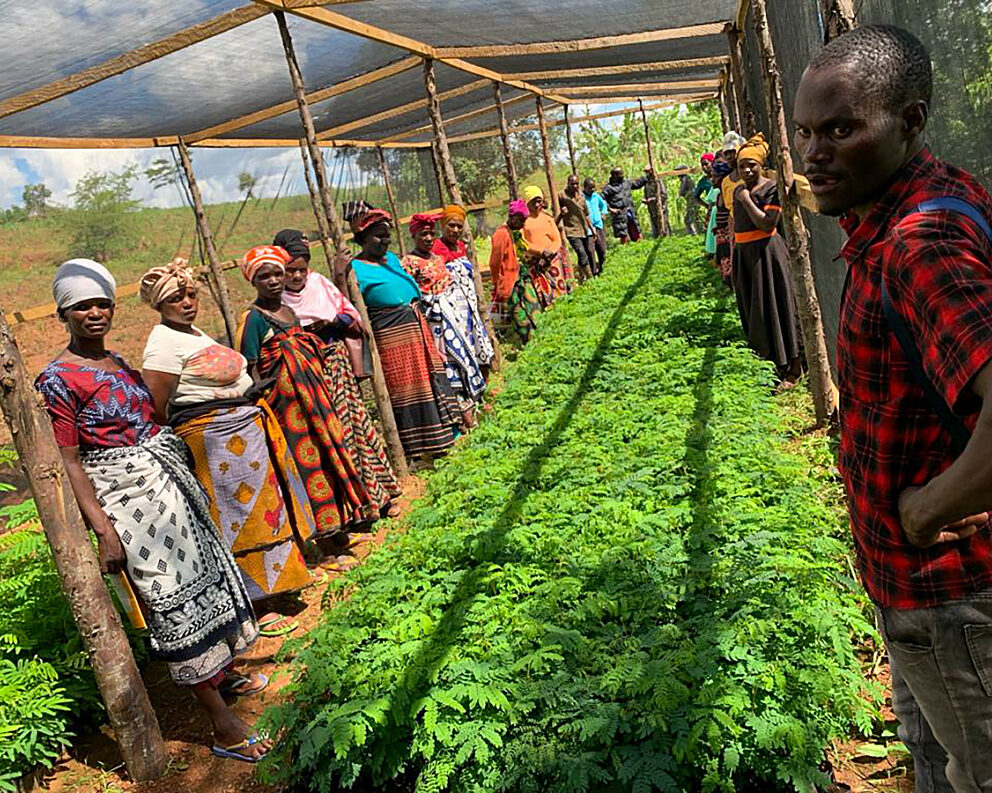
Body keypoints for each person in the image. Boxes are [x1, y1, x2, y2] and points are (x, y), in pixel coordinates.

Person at [794, 25, 992, 792]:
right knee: (933, 758)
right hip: (912, 594)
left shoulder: (919, 243)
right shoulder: (923, 194)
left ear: (911, 121)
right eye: (807, 131)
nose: (816, 151)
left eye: (841, 129)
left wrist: (923, 510)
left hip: (953, 599)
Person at [36, 259, 268, 763]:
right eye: (81, 307)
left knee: (203, 583)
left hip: (164, 486)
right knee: (169, 597)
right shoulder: (57, 378)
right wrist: (104, 531)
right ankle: (222, 724)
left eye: (101, 304)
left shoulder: (117, 361)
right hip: (124, 499)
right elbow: (70, 459)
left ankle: (222, 676)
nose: (93, 313)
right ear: (64, 314)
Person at [140, 259, 317, 638]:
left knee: (264, 511)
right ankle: (255, 601)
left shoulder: (194, 334)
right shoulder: (162, 344)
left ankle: (280, 586)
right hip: (211, 441)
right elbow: (156, 406)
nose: (187, 303)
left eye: (190, 294)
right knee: (235, 518)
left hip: (241, 431)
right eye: (176, 298)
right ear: (159, 305)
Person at [236, 245, 378, 568]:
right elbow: (252, 368)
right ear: (253, 281)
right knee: (305, 469)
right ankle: (324, 547)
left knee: (328, 458)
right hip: (287, 410)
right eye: (264, 276)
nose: (273, 281)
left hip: (314, 399)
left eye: (277, 273)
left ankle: (340, 532)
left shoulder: (289, 312)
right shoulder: (255, 319)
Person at [274, 229, 402, 520]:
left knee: (353, 427)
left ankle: (379, 496)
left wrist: (328, 322)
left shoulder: (319, 284)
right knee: (330, 438)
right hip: (306, 374)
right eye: (289, 270)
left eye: (301, 269)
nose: (296, 276)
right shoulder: (277, 301)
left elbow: (349, 315)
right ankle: (355, 509)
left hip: (335, 365)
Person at [345, 207, 460, 460]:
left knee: (431, 378)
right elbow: (348, 304)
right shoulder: (354, 269)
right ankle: (419, 449)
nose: (384, 241)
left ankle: (446, 436)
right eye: (378, 236)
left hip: (416, 328)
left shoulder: (392, 260)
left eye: (386, 235)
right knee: (408, 387)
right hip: (392, 336)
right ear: (362, 239)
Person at [402, 212, 492, 427]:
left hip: (457, 322)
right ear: (414, 236)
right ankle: (462, 416)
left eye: (431, 234)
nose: (428, 238)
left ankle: (475, 405)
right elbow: (411, 296)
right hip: (435, 326)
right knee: (448, 366)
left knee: (464, 360)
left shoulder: (438, 259)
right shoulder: (408, 263)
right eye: (423, 234)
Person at [731, 133, 803, 386]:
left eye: (751, 164)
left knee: (777, 306)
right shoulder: (739, 189)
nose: (747, 170)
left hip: (767, 255)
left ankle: (792, 367)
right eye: (742, 166)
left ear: (761, 165)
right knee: (756, 312)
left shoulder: (770, 189)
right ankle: (769, 366)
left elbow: (766, 223)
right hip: (745, 257)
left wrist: (746, 199)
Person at [489, 199, 541, 344]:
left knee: (532, 305)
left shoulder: (513, 232)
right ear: (512, 218)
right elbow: (494, 262)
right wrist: (496, 282)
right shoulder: (501, 234)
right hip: (509, 280)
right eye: (521, 220)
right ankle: (529, 342)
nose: (523, 224)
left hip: (519, 274)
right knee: (519, 313)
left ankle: (539, 333)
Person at [521, 185, 572, 306]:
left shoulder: (547, 219)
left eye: (539, 201)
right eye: (534, 202)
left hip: (552, 260)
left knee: (558, 290)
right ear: (527, 203)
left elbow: (556, 239)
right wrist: (541, 252)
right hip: (535, 261)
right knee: (540, 292)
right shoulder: (524, 222)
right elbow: (523, 243)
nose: (538, 205)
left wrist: (549, 253)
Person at [557, 175, 595, 282]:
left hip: (583, 230)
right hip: (571, 230)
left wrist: (592, 229)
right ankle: (590, 277)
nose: (575, 186)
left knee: (584, 253)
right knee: (581, 252)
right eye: (572, 183)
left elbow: (586, 214)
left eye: (576, 184)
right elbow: (555, 209)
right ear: (568, 183)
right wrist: (561, 213)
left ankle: (581, 276)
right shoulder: (561, 196)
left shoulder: (581, 197)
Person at [602, 167, 647, 244]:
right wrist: (610, 209)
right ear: (614, 175)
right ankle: (624, 250)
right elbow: (602, 200)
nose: (622, 176)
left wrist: (646, 177)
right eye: (620, 174)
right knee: (622, 233)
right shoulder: (608, 188)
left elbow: (637, 184)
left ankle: (640, 246)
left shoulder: (626, 183)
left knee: (636, 229)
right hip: (619, 214)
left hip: (630, 211)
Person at [711, 155, 735, 282]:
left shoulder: (727, 195)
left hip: (728, 237)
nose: (712, 180)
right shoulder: (720, 195)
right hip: (722, 236)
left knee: (729, 266)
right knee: (724, 262)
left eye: (715, 177)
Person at [582, 178, 608, 273]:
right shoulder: (581, 198)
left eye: (593, 187)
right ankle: (593, 272)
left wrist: (603, 213)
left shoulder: (596, 196)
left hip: (598, 226)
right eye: (590, 188)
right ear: (584, 187)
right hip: (588, 228)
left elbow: (603, 205)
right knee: (590, 251)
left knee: (602, 249)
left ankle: (603, 269)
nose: (592, 190)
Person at [642, 166, 665, 238]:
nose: (646, 173)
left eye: (647, 171)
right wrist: (646, 200)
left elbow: (663, 195)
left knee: (663, 227)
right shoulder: (646, 183)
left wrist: (652, 199)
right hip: (652, 209)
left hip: (660, 208)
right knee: (655, 228)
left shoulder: (658, 182)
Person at [678, 165, 699, 235]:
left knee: (688, 219)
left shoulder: (685, 179)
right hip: (691, 201)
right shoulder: (686, 179)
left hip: (692, 201)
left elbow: (682, 191)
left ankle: (693, 234)